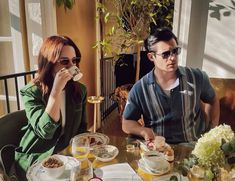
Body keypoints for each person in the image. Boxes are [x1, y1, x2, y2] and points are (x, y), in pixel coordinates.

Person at [122, 27, 220, 144]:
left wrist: (211, 131)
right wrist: (143, 131)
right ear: (151, 57)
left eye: (175, 51)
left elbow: (212, 100)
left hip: (194, 148)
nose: (172, 58)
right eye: (166, 54)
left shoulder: (197, 77)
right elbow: (127, 123)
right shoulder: (140, 89)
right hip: (159, 152)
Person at [14, 35, 87, 180]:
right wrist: (56, 91)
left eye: (75, 60)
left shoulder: (80, 90)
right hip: (38, 156)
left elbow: (81, 129)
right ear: (49, 64)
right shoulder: (31, 91)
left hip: (66, 155)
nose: (72, 66)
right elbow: (45, 132)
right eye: (64, 61)